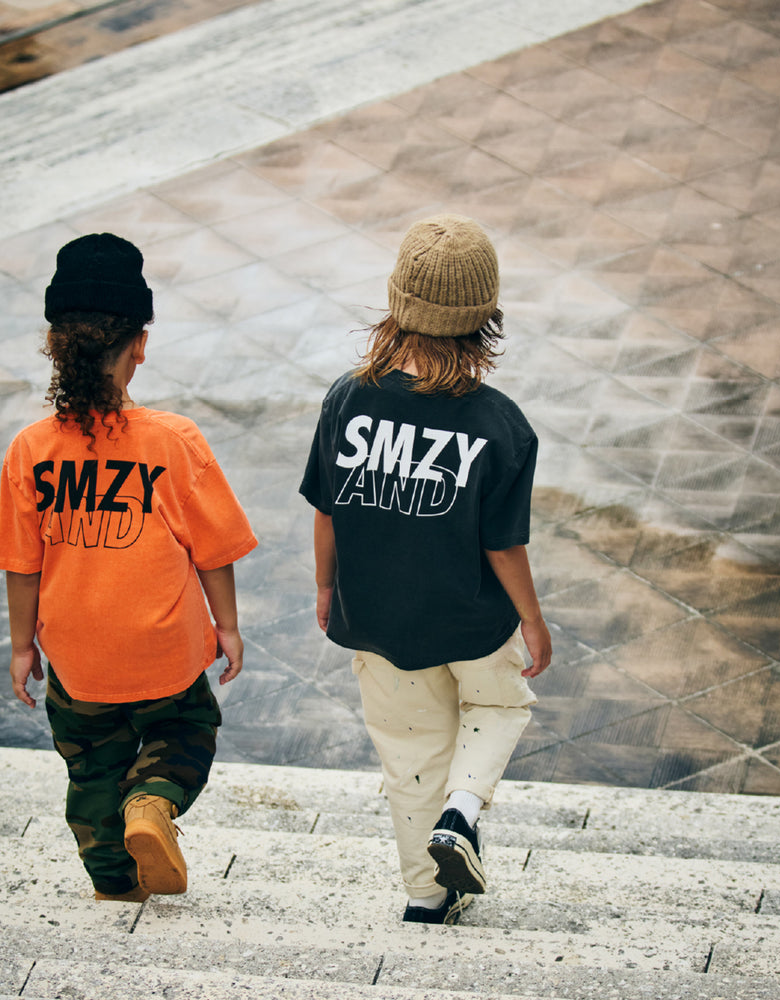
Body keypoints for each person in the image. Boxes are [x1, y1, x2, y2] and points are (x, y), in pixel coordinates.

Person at [300, 213, 551, 925]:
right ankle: (462, 813)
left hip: (379, 619)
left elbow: (326, 512)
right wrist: (533, 620)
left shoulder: (348, 398)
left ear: (397, 302)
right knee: (498, 707)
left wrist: (326, 587)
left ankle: (425, 898)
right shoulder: (500, 424)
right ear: (484, 317)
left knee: (411, 758)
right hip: (472, 620)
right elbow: (503, 546)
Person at [0, 233, 258, 902]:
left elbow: (21, 565)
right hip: (164, 648)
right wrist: (227, 628)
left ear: (55, 345)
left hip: (77, 658)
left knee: (90, 770)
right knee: (187, 728)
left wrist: (22, 645)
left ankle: (113, 884)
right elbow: (214, 551)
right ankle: (152, 799)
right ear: (139, 344)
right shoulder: (174, 441)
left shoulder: (29, 450)